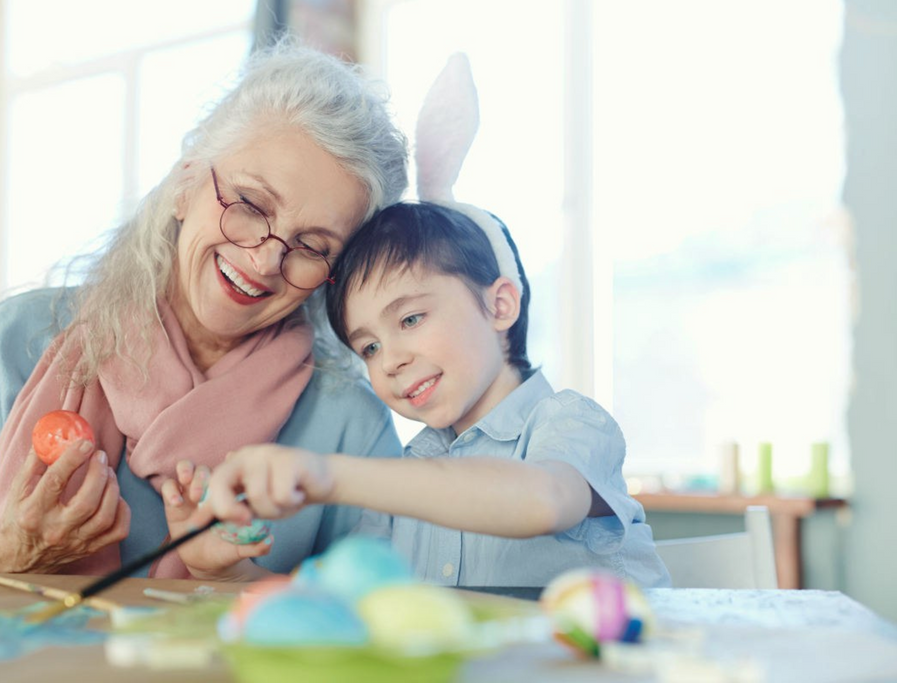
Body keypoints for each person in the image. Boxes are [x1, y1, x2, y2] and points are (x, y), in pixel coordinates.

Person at [0, 40, 409, 581]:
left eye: (313, 246)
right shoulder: (17, 341)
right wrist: (5, 561)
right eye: (250, 206)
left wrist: (233, 579)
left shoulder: (348, 422)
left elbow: (381, 617)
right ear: (185, 185)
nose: (267, 259)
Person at [194, 53, 670, 589]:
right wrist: (225, 567)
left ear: (500, 305)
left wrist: (329, 475)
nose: (391, 359)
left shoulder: (569, 425)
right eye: (368, 348)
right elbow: (340, 602)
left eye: (412, 318)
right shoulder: (408, 476)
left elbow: (541, 500)